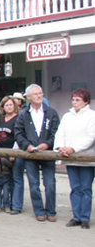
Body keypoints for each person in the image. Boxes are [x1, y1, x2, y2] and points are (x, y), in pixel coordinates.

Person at [14, 84, 59, 222]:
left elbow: (56, 131)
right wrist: (27, 146)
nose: (39, 96)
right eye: (35, 94)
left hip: (48, 153)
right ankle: (39, 210)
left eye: (40, 93)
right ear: (28, 97)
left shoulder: (51, 112)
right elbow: (18, 132)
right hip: (31, 154)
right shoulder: (23, 114)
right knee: (33, 184)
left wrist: (47, 144)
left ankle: (51, 211)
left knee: (50, 184)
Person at [54, 88, 95, 229]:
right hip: (69, 157)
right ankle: (76, 216)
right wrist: (60, 147)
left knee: (86, 189)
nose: (74, 102)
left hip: (86, 159)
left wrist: (74, 148)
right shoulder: (67, 116)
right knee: (75, 188)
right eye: (73, 99)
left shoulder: (91, 116)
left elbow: (90, 137)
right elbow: (60, 133)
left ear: (86, 101)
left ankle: (85, 218)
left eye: (78, 100)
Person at [0, 96, 19, 213]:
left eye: (11, 105)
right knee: (3, 178)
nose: (9, 107)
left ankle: (14, 205)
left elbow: (19, 137)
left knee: (15, 179)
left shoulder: (18, 119)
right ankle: (0, 203)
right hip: (2, 152)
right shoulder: (1, 119)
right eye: (6, 105)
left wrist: (14, 152)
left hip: (14, 151)